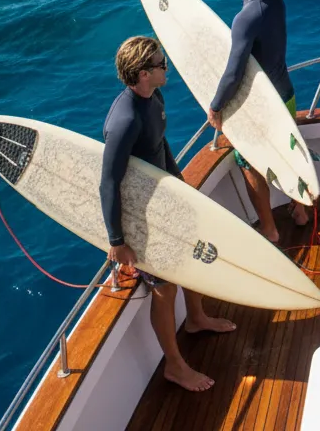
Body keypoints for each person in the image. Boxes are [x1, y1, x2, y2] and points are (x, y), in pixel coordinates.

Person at [100, 35, 235, 392]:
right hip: (142, 218)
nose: (167, 67)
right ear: (143, 73)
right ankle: (174, 366)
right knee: (164, 289)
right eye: (161, 64)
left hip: (165, 202)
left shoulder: (154, 97)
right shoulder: (125, 120)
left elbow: (160, 143)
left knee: (191, 259)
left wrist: (179, 184)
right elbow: (108, 183)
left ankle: (197, 318)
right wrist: (117, 240)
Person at [204, 0, 309, 241]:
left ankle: (270, 228)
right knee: (287, 154)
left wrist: (216, 106)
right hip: (286, 95)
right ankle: (301, 212)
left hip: (262, 105)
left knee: (249, 162)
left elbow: (234, 72)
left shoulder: (244, 18)